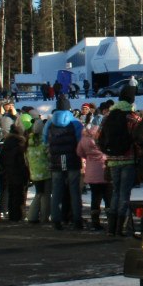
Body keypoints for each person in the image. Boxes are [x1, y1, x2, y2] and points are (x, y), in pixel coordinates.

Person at [102, 87, 143, 235]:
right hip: (128, 159)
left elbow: (98, 137)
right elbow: (140, 139)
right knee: (124, 193)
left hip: (112, 159)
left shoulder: (108, 116)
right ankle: (120, 227)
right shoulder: (133, 118)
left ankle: (111, 227)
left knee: (115, 192)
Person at [44, 95, 84, 230]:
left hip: (55, 161)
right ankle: (77, 219)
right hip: (73, 159)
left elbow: (45, 141)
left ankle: (56, 220)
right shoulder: (75, 123)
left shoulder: (50, 123)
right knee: (74, 190)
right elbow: (81, 142)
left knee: (56, 191)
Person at [77, 119, 110, 230]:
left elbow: (79, 152)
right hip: (104, 169)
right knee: (108, 197)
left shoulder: (84, 138)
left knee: (95, 198)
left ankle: (95, 222)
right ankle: (111, 221)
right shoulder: (103, 136)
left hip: (91, 171)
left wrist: (89, 157)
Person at [0, 120, 30, 222]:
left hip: (7, 172)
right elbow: (22, 161)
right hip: (18, 173)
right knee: (19, 195)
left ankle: (12, 214)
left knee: (11, 193)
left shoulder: (6, 142)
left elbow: (1, 159)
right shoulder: (20, 144)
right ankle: (18, 215)